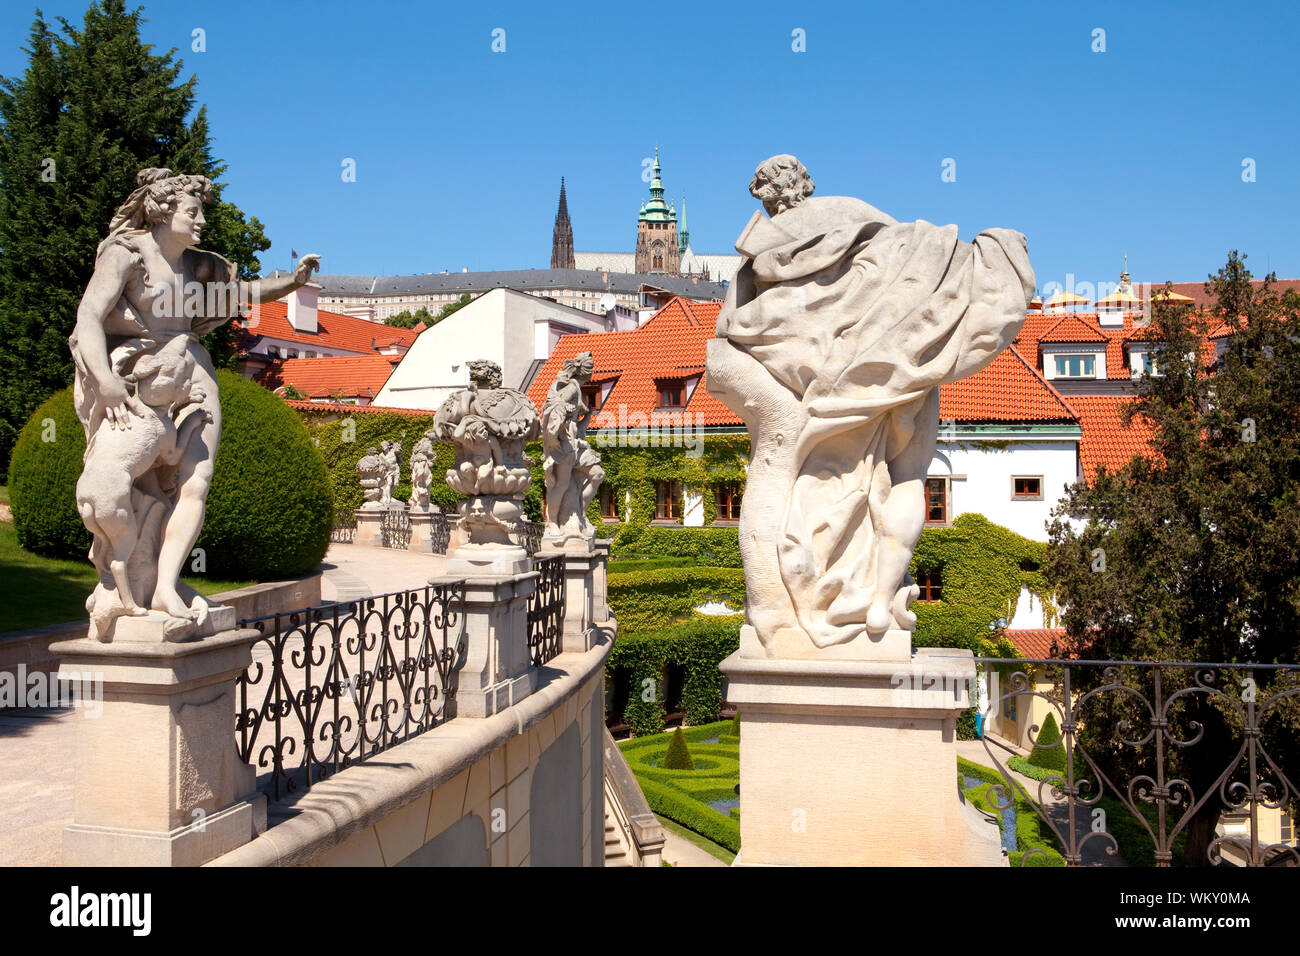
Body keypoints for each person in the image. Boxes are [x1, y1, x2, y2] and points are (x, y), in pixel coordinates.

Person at [70, 167, 319, 635]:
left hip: (193, 367)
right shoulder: (127, 255)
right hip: (140, 373)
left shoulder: (195, 265)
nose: (201, 219)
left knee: (195, 480)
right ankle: (124, 585)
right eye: (193, 210)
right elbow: (89, 314)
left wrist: (293, 281)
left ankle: (166, 584)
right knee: (126, 477)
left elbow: (242, 293)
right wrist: (104, 381)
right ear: (164, 211)